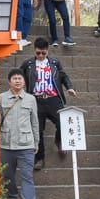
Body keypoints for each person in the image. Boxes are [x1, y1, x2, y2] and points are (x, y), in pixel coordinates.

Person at [20, 37, 77, 171]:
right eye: (38, 53)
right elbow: (19, 76)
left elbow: (63, 76)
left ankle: (59, 140)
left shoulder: (54, 63)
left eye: (43, 53)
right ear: (34, 50)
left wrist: (70, 87)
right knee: (37, 130)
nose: (40, 56)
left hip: (53, 98)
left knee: (62, 121)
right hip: (36, 99)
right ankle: (39, 157)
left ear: (48, 51)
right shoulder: (28, 64)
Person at [0, 68, 39, 199]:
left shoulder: (31, 99)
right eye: (14, 78)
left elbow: (35, 122)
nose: (17, 81)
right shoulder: (1, 98)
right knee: (7, 175)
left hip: (26, 145)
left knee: (27, 177)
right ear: (9, 81)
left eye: (20, 78)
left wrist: (36, 142)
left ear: (24, 82)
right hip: (6, 144)